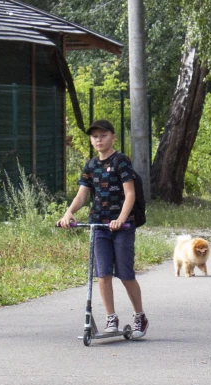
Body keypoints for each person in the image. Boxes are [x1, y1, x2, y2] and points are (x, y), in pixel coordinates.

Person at [57, 119, 149, 339]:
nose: (99, 140)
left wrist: (121, 219)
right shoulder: (91, 165)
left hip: (122, 225)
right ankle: (111, 317)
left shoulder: (121, 161)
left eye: (103, 135)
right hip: (99, 224)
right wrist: (69, 213)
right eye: (95, 136)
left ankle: (139, 316)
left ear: (113, 137)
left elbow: (130, 194)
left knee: (125, 274)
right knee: (103, 274)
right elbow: (82, 195)